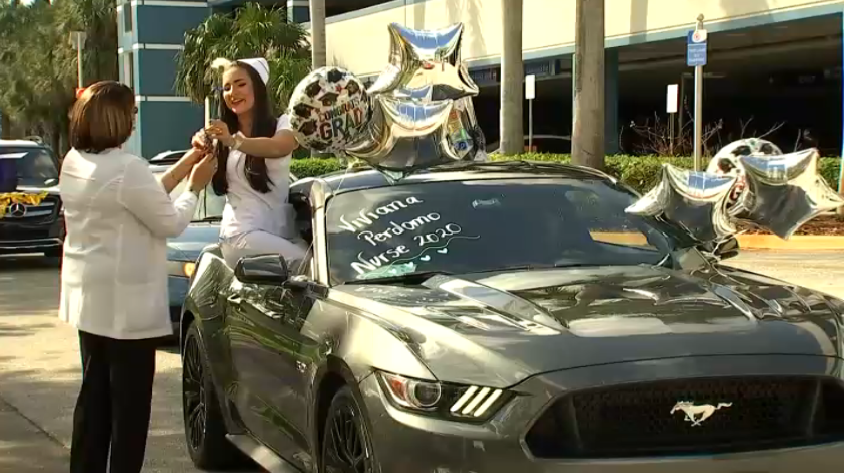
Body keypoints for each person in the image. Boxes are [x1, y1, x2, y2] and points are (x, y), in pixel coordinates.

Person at [59, 80, 217, 473]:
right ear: (115, 118)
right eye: (131, 112)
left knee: (94, 400)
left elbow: (143, 194)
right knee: (129, 412)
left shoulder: (75, 161)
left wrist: (188, 162)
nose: (134, 118)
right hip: (126, 309)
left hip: (90, 302)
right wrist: (195, 187)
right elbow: (170, 222)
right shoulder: (126, 168)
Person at [190, 57, 307, 270]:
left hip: (282, 233)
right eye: (226, 88)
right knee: (308, 264)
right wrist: (201, 144)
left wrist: (234, 141)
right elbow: (198, 173)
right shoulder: (222, 135)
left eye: (240, 84)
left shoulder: (283, 123)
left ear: (258, 88)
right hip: (241, 234)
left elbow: (278, 147)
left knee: (322, 265)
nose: (232, 93)